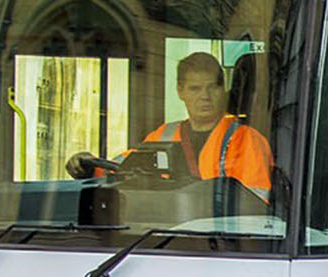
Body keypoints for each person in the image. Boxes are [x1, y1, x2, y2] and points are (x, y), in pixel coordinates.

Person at [71, 51, 273, 195]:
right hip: (164, 238)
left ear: (223, 90)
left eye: (212, 88)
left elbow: (253, 205)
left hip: (221, 246)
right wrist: (87, 166)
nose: (205, 96)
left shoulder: (246, 141)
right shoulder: (164, 134)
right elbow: (125, 167)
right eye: (195, 88)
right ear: (180, 91)